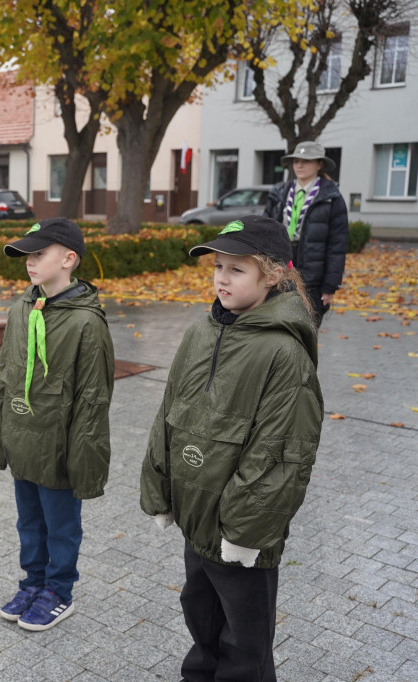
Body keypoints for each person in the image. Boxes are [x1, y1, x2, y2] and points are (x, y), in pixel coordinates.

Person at [140, 215, 323, 682]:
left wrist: (244, 531)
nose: (222, 277)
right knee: (201, 616)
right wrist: (161, 490)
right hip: (195, 513)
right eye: (218, 266)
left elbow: (282, 454)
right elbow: (168, 414)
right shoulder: (202, 332)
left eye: (237, 269)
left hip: (242, 528)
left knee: (245, 643)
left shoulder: (283, 352)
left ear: (274, 274)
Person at [0, 218, 115, 632]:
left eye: (39, 254)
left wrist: (83, 460)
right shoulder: (20, 309)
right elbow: (4, 376)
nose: (30, 262)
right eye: (28, 255)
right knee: (28, 521)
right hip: (23, 440)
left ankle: (59, 591)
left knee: (61, 526)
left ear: (69, 259)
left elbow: (93, 401)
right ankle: (33, 582)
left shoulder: (86, 323)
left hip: (59, 447)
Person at [263, 140, 348, 325]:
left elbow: (337, 246)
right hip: (280, 270)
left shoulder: (332, 198)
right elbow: (264, 232)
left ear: (319, 164)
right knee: (276, 328)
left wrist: (329, 286)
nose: (299, 165)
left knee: (306, 330)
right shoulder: (279, 192)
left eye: (306, 161)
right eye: (296, 161)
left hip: (312, 276)